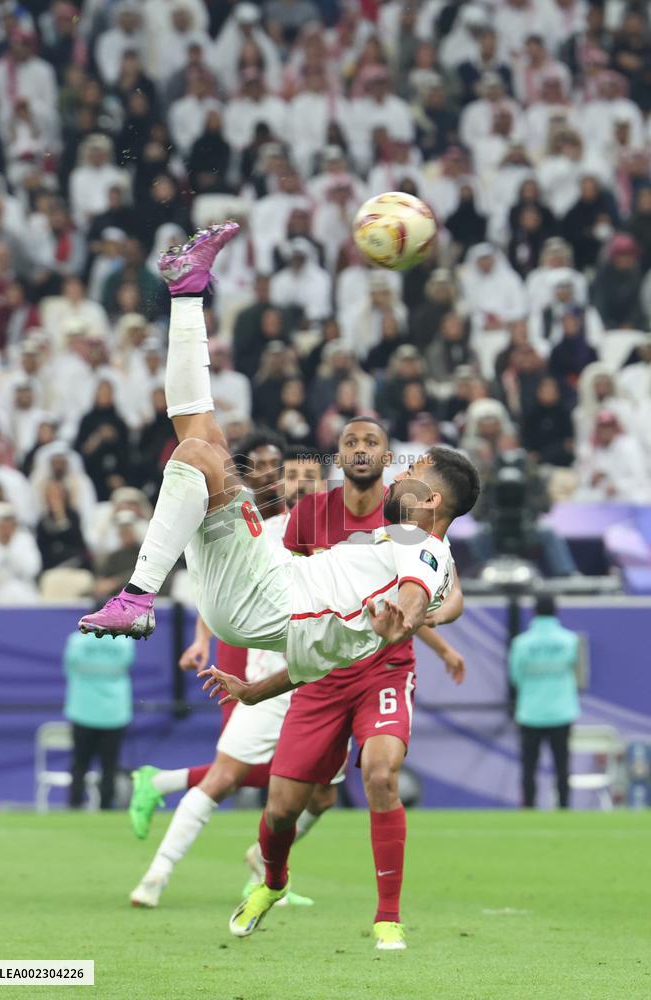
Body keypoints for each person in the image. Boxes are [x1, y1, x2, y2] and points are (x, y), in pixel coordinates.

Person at [78, 226, 480, 949]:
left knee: (198, 452)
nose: (400, 473)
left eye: (414, 474)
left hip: (264, 604)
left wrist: (406, 617)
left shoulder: (425, 550)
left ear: (432, 506)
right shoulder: (382, 527)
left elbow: (420, 596)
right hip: (269, 593)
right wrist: (259, 691)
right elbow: (338, 629)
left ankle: (138, 592)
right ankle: (187, 292)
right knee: (199, 437)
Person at [128, 441, 334, 909]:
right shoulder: (254, 527)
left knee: (321, 797)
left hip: (323, 680)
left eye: (278, 470)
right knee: (224, 776)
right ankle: (156, 876)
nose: (283, 479)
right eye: (284, 473)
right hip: (271, 677)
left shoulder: (325, 533)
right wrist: (203, 638)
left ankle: (261, 863)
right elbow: (220, 589)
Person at [509, 594, 580, 809]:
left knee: (529, 767)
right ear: (556, 612)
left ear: (534, 613)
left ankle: (529, 808)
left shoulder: (521, 643)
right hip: (562, 711)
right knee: (562, 766)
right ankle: (564, 807)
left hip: (531, 712)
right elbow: (575, 671)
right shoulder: (570, 640)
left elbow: (516, 676)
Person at [63, 627, 135, 809]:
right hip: (114, 711)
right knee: (109, 765)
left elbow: (69, 667)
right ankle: (106, 805)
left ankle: (75, 803)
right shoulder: (124, 642)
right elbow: (127, 664)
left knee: (80, 762)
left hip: (82, 708)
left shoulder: (77, 640)